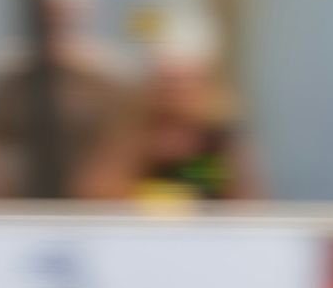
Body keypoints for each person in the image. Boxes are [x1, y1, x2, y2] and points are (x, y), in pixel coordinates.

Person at [0, 0, 129, 198]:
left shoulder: (109, 74)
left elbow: (124, 148)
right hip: (22, 208)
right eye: (52, 3)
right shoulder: (8, 72)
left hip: (93, 208)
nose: (60, 12)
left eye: (69, 3)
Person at [99, 40, 260, 203]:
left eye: (180, 82)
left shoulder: (219, 137)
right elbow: (99, 192)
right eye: (165, 81)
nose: (172, 91)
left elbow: (245, 202)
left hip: (207, 225)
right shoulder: (131, 130)